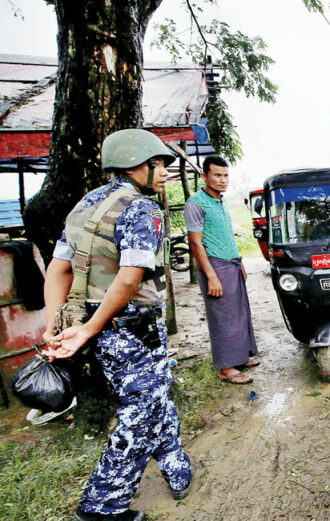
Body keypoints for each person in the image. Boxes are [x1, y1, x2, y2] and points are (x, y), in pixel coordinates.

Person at [41, 129, 194, 521]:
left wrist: (55, 324)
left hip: (103, 326)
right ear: (133, 165)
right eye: (156, 165)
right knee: (140, 411)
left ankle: (177, 466)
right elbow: (129, 279)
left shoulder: (85, 205)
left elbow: (57, 269)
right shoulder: (142, 210)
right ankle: (101, 508)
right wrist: (88, 328)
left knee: (155, 395)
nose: (163, 173)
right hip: (130, 328)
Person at [184, 155, 258, 384]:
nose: (223, 180)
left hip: (231, 263)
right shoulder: (196, 203)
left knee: (238, 311)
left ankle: (241, 356)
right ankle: (227, 368)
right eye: (217, 175)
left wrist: (240, 263)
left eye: (226, 175)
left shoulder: (221, 200)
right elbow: (196, 243)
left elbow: (227, 235)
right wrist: (211, 276)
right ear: (204, 176)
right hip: (214, 265)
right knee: (222, 317)